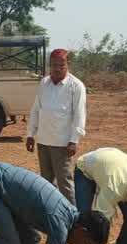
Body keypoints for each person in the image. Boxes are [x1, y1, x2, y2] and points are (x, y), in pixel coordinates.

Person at [26, 48, 86, 201]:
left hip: (62, 144)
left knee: (64, 182)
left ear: (68, 64)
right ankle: (51, 214)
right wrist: (30, 135)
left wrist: (74, 141)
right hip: (43, 141)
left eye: (61, 65)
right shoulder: (44, 83)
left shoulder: (76, 86)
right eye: (53, 65)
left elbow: (79, 114)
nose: (57, 69)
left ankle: (73, 218)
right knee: (46, 183)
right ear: (49, 65)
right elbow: (36, 109)